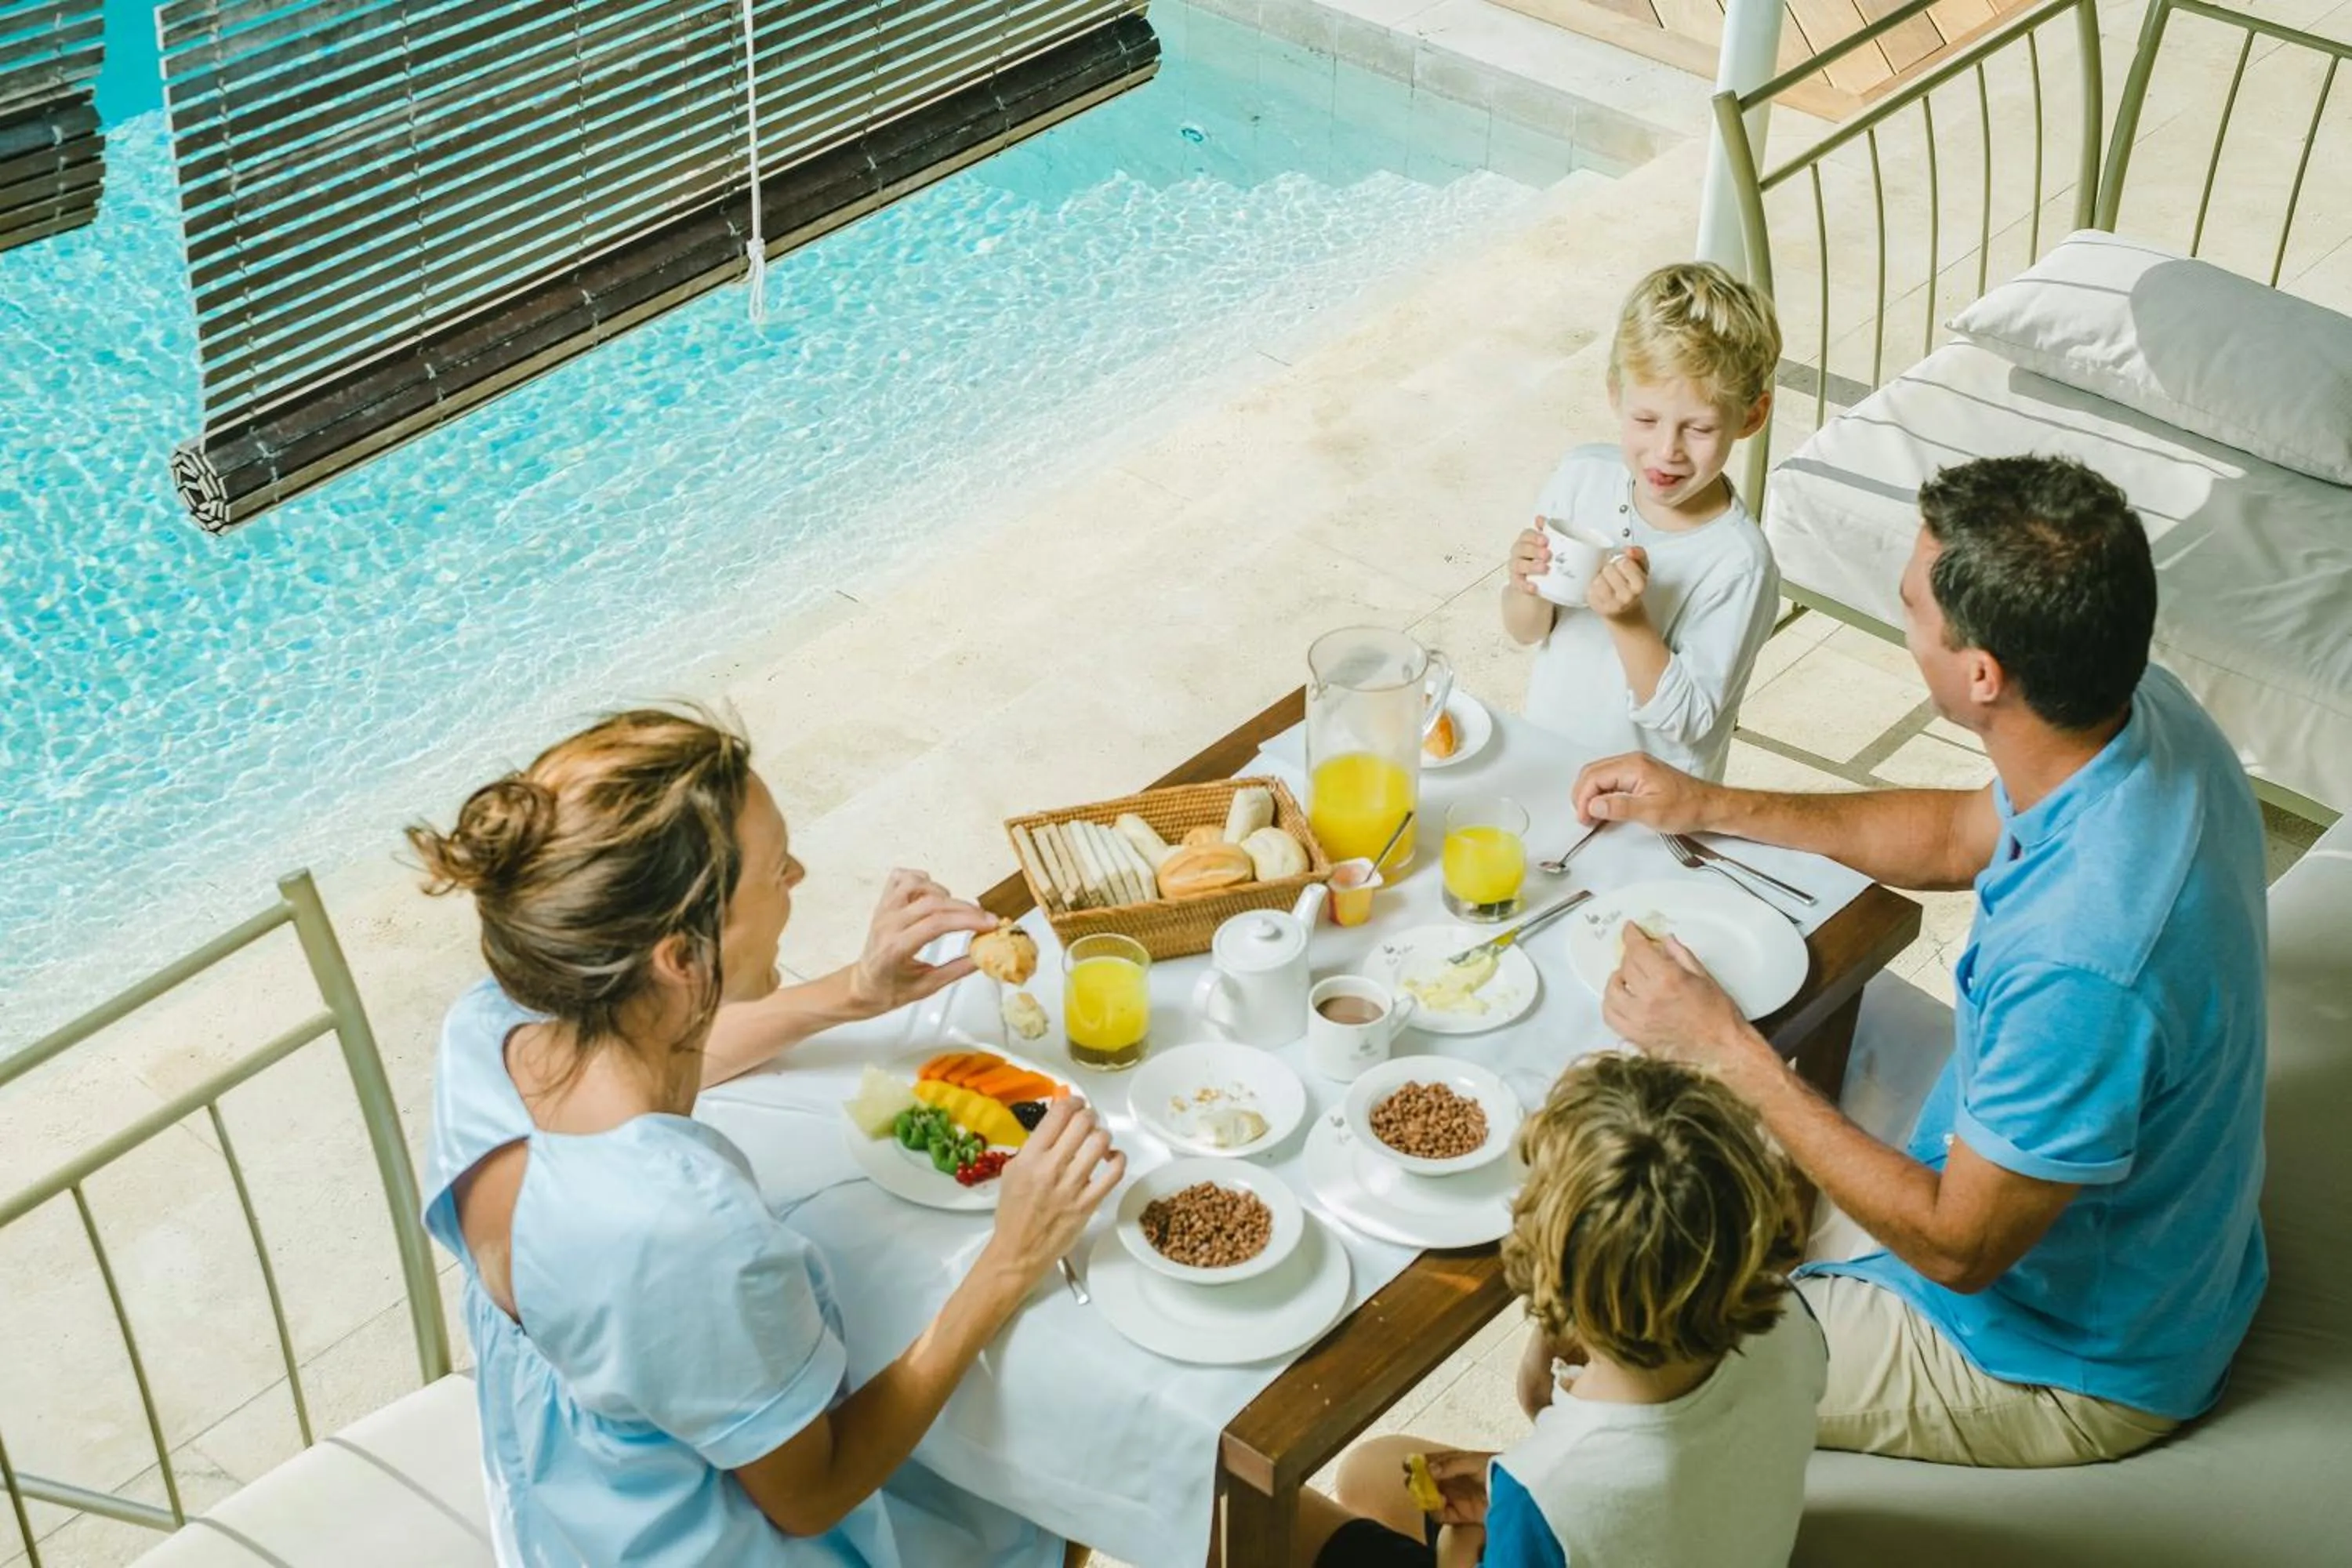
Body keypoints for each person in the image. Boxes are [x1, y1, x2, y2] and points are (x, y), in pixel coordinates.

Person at [1575, 454, 2268, 1467]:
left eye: (1911, 612)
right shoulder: (2139, 716)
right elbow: (1954, 837)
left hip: (2060, 1358)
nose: (1902, 626)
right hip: (2142, 1233)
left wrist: (1726, 1049)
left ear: (1980, 674)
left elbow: (1961, 1245)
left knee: (1623, 1357)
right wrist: (1710, 805)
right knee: (1791, 1026)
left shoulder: (2084, 964)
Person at [411, 707, 1123, 1566]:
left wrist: (857, 992)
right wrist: (1011, 1258)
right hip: (719, 1536)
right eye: (774, 869)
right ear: (679, 957)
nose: (799, 871)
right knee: (1068, 1472)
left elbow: (666, 1051)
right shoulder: (682, 1224)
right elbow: (811, 1494)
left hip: (566, 1489)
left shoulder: (494, 1028)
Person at [1296, 1052, 1824, 1568]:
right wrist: (1508, 1482)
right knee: (1372, 1470)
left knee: (1281, 1519)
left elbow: (1569, 1505)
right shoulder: (1792, 1317)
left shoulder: (1546, 1497)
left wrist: (1457, 1551)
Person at [1501, 261, 1783, 781]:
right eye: (1646, 420)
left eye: (1698, 428)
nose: (1666, 450)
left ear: (1751, 417)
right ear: (1616, 394)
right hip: (1548, 769)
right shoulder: (1582, 477)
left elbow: (1687, 721)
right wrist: (1526, 587)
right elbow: (1525, 631)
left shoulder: (1739, 565)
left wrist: (1628, 621)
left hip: (1649, 814)